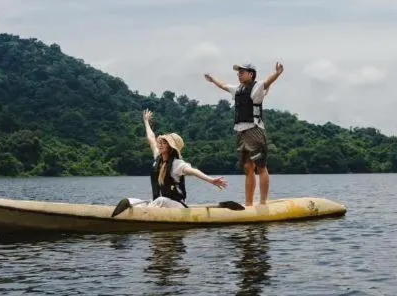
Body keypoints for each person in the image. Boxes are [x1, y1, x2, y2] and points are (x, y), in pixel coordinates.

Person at [111, 109, 228, 217]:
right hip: (160, 203)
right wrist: (146, 121)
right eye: (160, 142)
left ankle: (142, 214)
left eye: (164, 143)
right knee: (132, 201)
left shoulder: (177, 164)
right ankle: (130, 211)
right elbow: (151, 138)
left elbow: (193, 171)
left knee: (161, 201)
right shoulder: (158, 157)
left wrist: (211, 180)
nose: (160, 144)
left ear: (171, 148)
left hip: (177, 206)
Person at [204, 61, 284, 206]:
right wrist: (212, 80)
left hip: (254, 131)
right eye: (238, 73)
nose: (239, 75)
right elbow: (223, 86)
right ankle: (248, 204)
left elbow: (267, 82)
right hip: (240, 133)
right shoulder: (238, 90)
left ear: (251, 74)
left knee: (260, 166)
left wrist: (277, 73)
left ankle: (263, 202)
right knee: (248, 168)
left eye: (242, 72)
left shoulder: (257, 87)